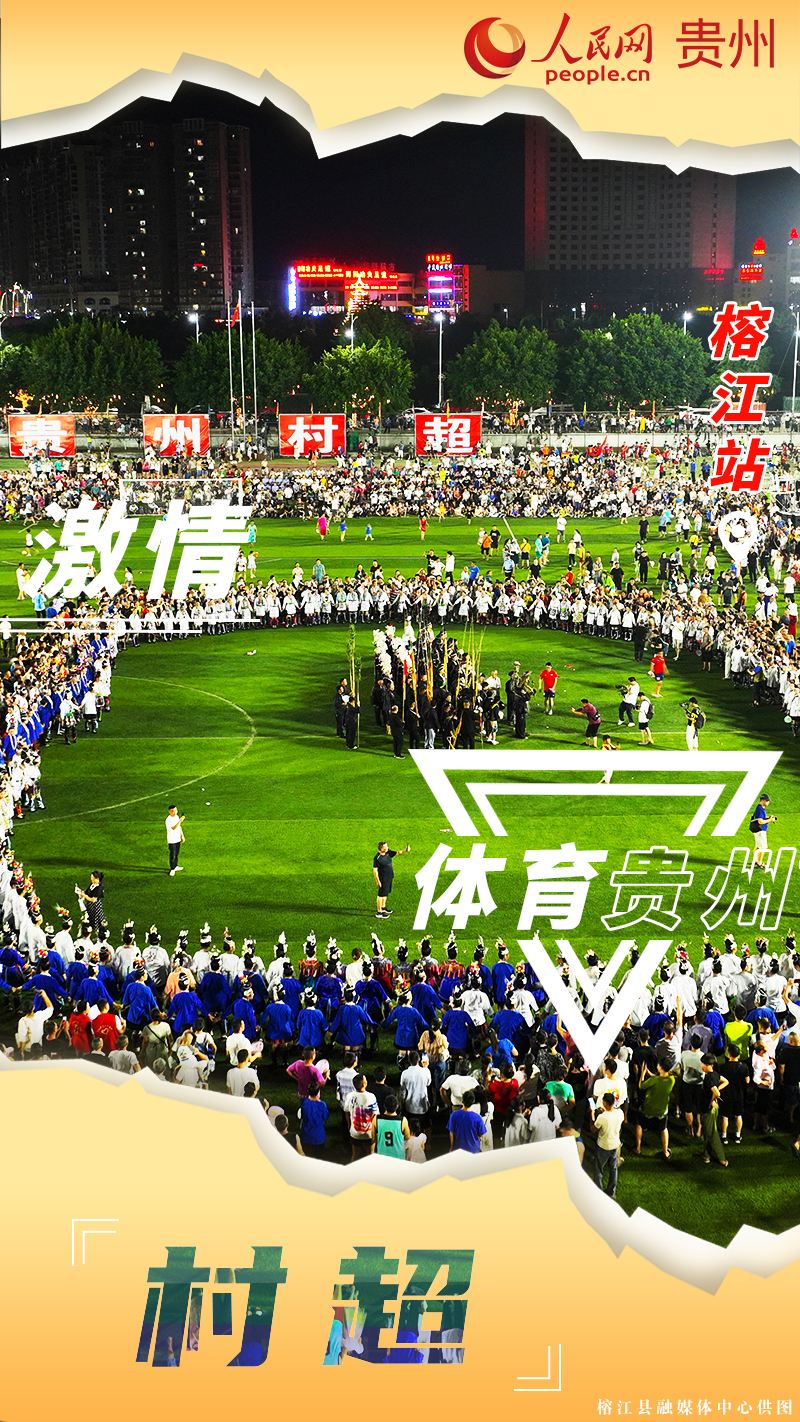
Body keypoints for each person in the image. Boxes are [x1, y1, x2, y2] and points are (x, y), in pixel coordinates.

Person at [592, 1091, 624, 1199]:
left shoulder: (602, 1117)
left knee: (599, 1170)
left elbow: (593, 1129)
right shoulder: (620, 1113)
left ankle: (598, 1193)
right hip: (615, 1145)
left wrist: (592, 1116)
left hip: (603, 1146)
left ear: (605, 1103)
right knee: (613, 1169)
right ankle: (612, 1192)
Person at [372, 839, 410, 919]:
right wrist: (378, 881)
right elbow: (375, 870)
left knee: (386, 893)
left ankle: (383, 907)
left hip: (389, 876)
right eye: (385, 847)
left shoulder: (388, 852)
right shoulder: (377, 858)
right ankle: (379, 912)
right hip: (382, 878)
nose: (387, 847)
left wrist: (405, 850)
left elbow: (398, 853)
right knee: (381, 895)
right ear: (381, 849)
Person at [750, 794, 777, 869]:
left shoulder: (760, 808)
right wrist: (770, 820)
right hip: (760, 831)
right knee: (763, 847)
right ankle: (760, 863)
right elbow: (760, 821)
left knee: (758, 846)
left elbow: (761, 819)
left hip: (758, 830)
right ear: (762, 800)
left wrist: (768, 818)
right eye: (767, 800)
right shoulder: (760, 809)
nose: (768, 802)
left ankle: (756, 860)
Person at [165, 805, 186, 876]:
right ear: (170, 812)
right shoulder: (169, 819)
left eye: (176, 810)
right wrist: (180, 821)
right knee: (173, 855)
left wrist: (182, 835)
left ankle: (175, 866)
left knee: (176, 853)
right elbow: (173, 827)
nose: (175, 812)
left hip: (177, 839)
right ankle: (172, 869)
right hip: (172, 840)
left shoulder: (176, 817)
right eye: (173, 811)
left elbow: (179, 827)